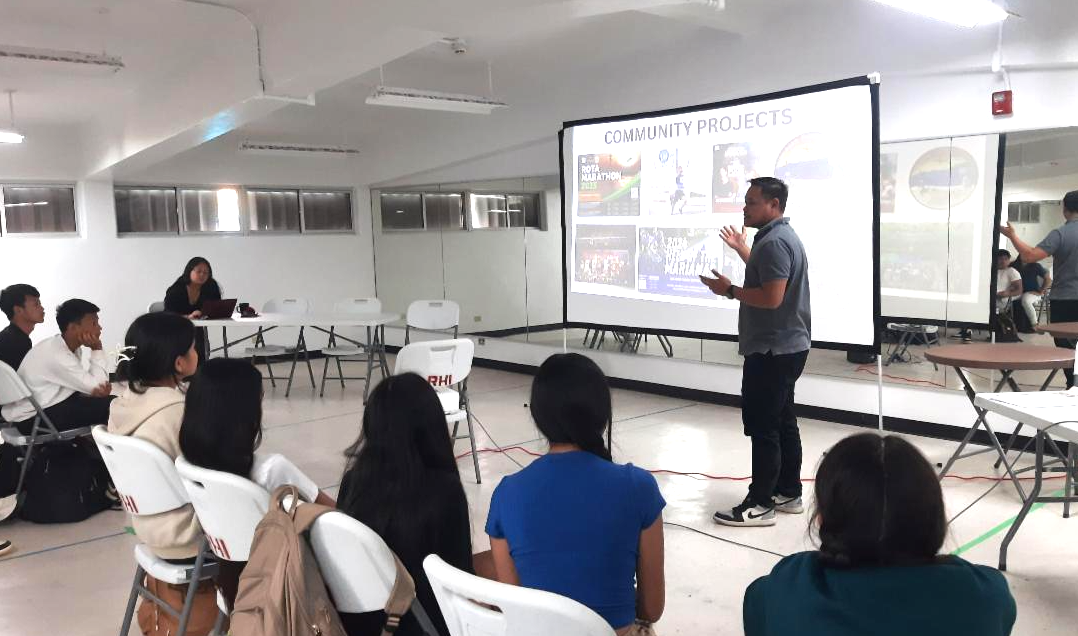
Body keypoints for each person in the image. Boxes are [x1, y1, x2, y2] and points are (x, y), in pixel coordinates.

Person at [743, 433, 1016, 636]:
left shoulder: (790, 586)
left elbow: (758, 611)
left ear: (821, 519)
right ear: (934, 516)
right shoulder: (985, 594)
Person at [486, 353, 665, 636]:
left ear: (537, 417)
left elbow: (516, 606)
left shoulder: (506, 494)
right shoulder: (638, 487)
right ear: (603, 415)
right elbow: (651, 609)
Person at [699, 176, 811, 526]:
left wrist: (729, 289)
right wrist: (742, 250)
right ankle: (788, 491)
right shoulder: (776, 238)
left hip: (772, 350)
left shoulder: (775, 242)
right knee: (782, 420)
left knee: (764, 426)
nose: (744, 207)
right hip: (786, 347)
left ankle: (760, 504)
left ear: (773, 205)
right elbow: (768, 278)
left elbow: (771, 297)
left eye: (751, 202)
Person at [178, 357, 336, 607]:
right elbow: (333, 515)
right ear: (245, 413)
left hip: (231, 583)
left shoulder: (188, 462)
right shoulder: (271, 469)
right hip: (284, 590)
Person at [337, 374, 475, 636]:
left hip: (364, 625)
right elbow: (461, 580)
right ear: (431, 425)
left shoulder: (353, 482)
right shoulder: (444, 491)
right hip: (424, 626)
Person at [107, 312, 202, 560]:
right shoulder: (177, 411)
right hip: (190, 534)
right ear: (179, 363)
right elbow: (209, 477)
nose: (196, 352)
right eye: (193, 348)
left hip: (148, 527)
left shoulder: (122, 404)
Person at [1000, 190, 1078, 385]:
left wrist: (1012, 236)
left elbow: (1029, 256)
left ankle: (1074, 383)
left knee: (1064, 343)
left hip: (1066, 298)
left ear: (1065, 209)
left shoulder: (1061, 233)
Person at [0, 299, 113, 433]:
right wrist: (96, 348)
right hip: (33, 420)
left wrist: (97, 390)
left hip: (36, 412)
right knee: (112, 405)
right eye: (94, 323)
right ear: (73, 328)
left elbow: (94, 388)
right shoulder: (59, 354)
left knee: (106, 403)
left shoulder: (62, 346)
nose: (100, 327)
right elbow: (98, 387)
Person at [164, 257, 223, 361]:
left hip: (198, 326)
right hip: (176, 325)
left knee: (198, 337)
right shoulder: (177, 289)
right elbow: (168, 314)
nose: (202, 275)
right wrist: (188, 316)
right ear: (189, 271)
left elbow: (216, 305)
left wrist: (204, 313)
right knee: (192, 335)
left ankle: (199, 368)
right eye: (199, 271)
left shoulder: (211, 285)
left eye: (206, 272)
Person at [0, 284, 44, 372]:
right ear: (18, 310)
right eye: (36, 304)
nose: (42, 308)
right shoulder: (17, 342)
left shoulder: (9, 336)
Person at [1011, 256, 1051, 332]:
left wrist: (1041, 292)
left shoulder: (1036, 266)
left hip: (1032, 292)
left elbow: (1048, 279)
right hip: (1017, 292)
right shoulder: (1013, 265)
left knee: (1026, 300)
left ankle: (1034, 324)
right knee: (1003, 300)